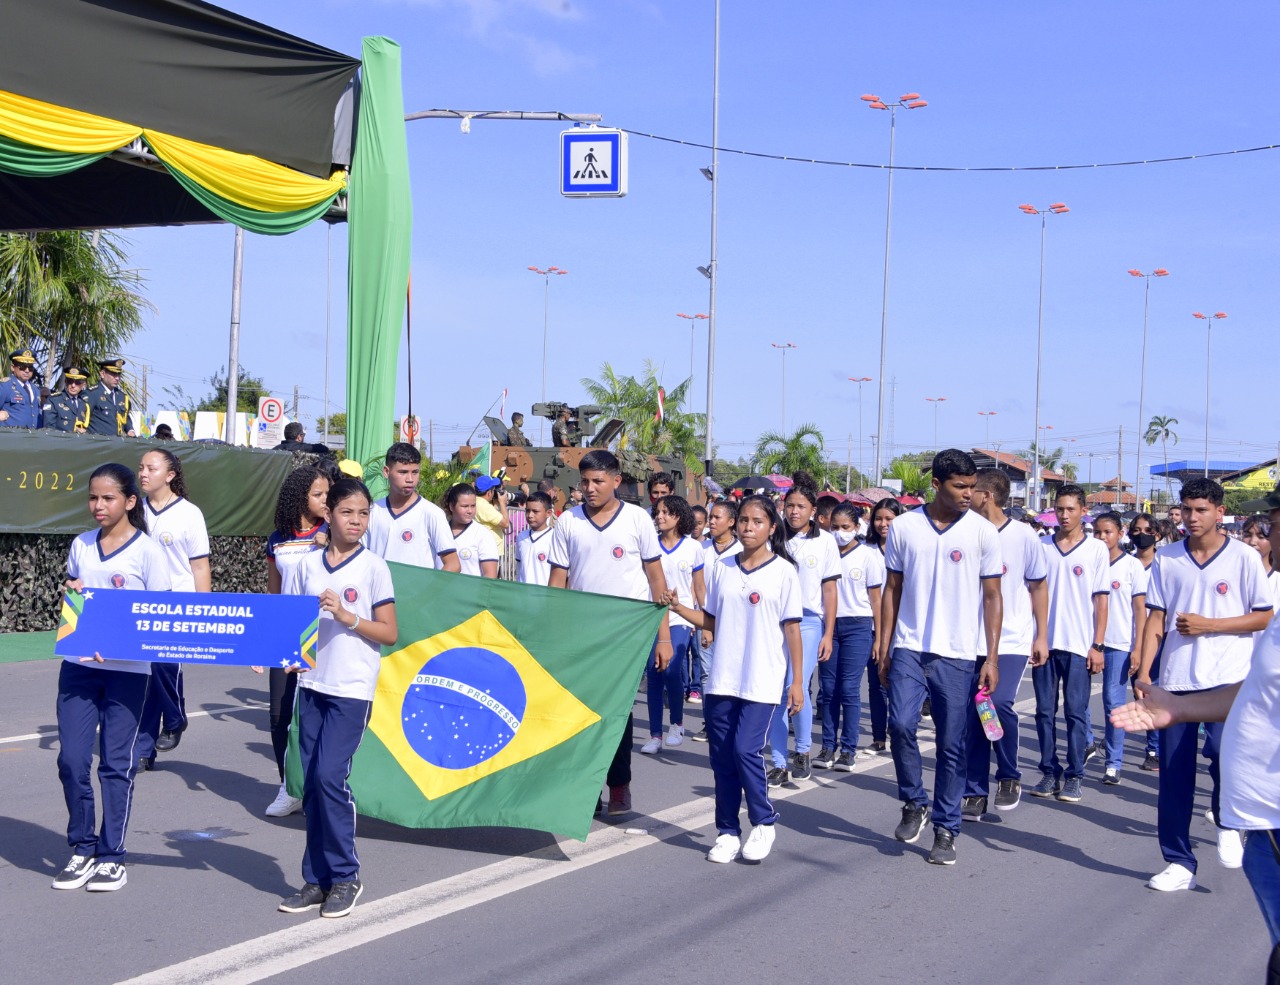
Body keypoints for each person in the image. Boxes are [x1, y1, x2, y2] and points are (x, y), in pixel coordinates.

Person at [1135, 477, 1272, 891]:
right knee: (1174, 775)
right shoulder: (1167, 558)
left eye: (1202, 510)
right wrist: (1144, 671)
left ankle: (1228, 821)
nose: (1193, 518)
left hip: (1229, 681)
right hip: (1176, 680)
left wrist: (1209, 625)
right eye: (1188, 510)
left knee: (1223, 755)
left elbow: (1263, 616)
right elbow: (1156, 618)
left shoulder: (1244, 558)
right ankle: (1179, 862)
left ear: (1219, 511)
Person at [277, 478, 397, 919]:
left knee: (330, 777)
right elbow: (291, 621)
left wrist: (348, 616)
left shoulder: (374, 568)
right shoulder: (306, 565)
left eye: (363, 513)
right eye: (347, 512)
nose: (356, 521)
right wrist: (287, 656)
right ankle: (317, 879)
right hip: (312, 686)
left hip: (351, 689)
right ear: (328, 514)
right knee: (310, 783)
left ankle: (346, 876)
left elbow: (389, 632)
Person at [878, 449, 1002, 866]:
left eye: (972, 487)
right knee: (900, 725)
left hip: (959, 654)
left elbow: (992, 596)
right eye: (960, 486)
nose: (969, 494)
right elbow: (892, 589)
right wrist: (885, 644)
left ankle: (946, 829)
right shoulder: (904, 527)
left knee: (951, 745)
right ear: (936, 484)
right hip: (909, 646)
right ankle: (914, 801)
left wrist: (991, 658)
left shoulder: (983, 533)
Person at [664, 495, 804, 863]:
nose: (748, 527)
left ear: (772, 528)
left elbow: (792, 629)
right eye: (743, 520)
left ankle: (764, 821)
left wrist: (796, 681)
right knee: (722, 759)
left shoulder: (784, 572)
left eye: (757, 521)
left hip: (763, 680)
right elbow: (711, 620)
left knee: (745, 750)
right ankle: (727, 832)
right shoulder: (722, 566)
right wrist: (678, 608)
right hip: (722, 680)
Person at [52, 463, 172, 892]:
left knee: (115, 765)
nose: (98, 505)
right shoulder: (81, 545)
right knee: (71, 761)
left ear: (130, 501)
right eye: (93, 497)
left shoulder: (148, 552)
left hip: (127, 674)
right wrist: (71, 597)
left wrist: (120, 644)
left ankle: (111, 856)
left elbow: (159, 618)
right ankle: (82, 847)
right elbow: (74, 605)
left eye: (108, 497)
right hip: (79, 669)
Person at [547, 449, 672, 817]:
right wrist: (551, 635)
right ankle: (585, 790)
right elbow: (557, 583)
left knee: (617, 712)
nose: (590, 488)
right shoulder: (568, 521)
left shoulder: (637, 519)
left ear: (616, 481)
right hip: (581, 634)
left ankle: (619, 786)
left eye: (598, 481)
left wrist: (663, 637)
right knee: (580, 712)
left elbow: (656, 580)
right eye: (585, 481)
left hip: (626, 635)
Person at [961, 469, 1048, 818]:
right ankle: (975, 791)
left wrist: (1042, 635)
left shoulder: (1024, 536)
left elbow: (1038, 586)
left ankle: (1009, 774)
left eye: (972, 489)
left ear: (987, 496)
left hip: (1011, 639)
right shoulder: (965, 531)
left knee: (997, 703)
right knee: (974, 715)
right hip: (968, 640)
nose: (965, 494)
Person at [1030, 484, 1109, 804]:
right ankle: (1050, 771)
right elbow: (1031, 594)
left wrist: (1098, 645)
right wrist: (1036, 637)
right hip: (1044, 644)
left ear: (1083, 512)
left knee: (1076, 713)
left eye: (1070, 509)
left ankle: (1075, 775)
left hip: (1079, 645)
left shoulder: (1096, 549)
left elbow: (1101, 601)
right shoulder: (1041, 546)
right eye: (1059, 509)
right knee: (1044, 712)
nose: (1064, 515)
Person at [261, 465, 330, 817]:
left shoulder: (334, 534)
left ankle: (319, 787)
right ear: (299, 497)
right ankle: (287, 788)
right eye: (318, 494)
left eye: (327, 494)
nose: (325, 500)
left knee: (316, 714)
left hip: (326, 633)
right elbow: (274, 593)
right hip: (287, 632)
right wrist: (263, 643)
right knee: (279, 715)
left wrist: (330, 542)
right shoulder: (278, 539)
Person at [135, 448, 210, 770]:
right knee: (144, 676)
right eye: (141, 467)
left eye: (151, 468)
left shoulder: (189, 514)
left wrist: (203, 610)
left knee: (163, 665)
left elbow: (200, 566)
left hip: (177, 603)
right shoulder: (134, 510)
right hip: (141, 603)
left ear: (170, 475)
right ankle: (143, 750)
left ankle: (175, 716)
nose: (143, 473)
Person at [767, 471, 840, 786]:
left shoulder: (825, 542)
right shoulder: (773, 536)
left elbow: (830, 591)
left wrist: (828, 633)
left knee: (793, 684)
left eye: (801, 506)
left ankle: (803, 750)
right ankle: (778, 762)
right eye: (790, 505)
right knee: (775, 690)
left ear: (813, 511)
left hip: (809, 622)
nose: (794, 511)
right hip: (774, 621)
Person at [814, 501, 883, 771]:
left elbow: (876, 601)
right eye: (835, 527)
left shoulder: (867, 556)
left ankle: (848, 750)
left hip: (858, 626)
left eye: (845, 527)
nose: (840, 532)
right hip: (828, 626)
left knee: (849, 689)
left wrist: (879, 638)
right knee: (829, 689)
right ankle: (827, 747)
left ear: (856, 527)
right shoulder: (825, 552)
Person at [641, 495, 704, 754]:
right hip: (652, 617)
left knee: (672, 668)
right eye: (657, 512)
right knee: (654, 673)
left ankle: (677, 723)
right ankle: (655, 735)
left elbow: (699, 587)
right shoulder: (649, 545)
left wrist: (705, 622)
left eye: (666, 512)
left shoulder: (693, 547)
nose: (660, 517)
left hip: (680, 617)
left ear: (679, 516)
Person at [1090, 510, 1147, 785]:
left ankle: (1113, 763)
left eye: (1107, 532)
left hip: (1119, 645)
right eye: (1097, 532)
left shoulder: (1132, 566)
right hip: (1088, 643)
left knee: (1113, 704)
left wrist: (1138, 647)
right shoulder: (1088, 561)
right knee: (1077, 703)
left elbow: (1140, 611)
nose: (1102, 537)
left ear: (1120, 534)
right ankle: (1087, 743)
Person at [363, 443, 460, 573]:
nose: (410, 479)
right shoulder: (372, 511)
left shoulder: (432, 513)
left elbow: (453, 564)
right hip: (380, 587)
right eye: (403, 472)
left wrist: (430, 587)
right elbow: (360, 559)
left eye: (415, 472)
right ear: (386, 472)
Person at [691, 500, 743, 735]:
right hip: (705, 619)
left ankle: (731, 722)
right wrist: (699, 621)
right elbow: (696, 585)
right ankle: (710, 723)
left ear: (731, 522)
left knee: (731, 672)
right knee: (707, 673)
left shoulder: (742, 550)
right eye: (710, 517)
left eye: (717, 517)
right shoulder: (700, 549)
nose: (711, 522)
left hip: (734, 622)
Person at [861, 498, 903, 756]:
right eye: (878, 518)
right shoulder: (866, 550)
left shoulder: (907, 548)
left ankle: (898, 731)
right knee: (877, 683)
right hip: (874, 625)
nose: (883, 524)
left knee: (900, 683)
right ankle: (879, 737)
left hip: (903, 626)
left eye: (889, 519)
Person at [1129, 512, 1162, 771]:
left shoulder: (1164, 564)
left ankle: (1154, 749)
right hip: (1126, 639)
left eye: (1147, 531)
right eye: (1137, 530)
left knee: (1151, 694)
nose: (1142, 535)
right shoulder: (1125, 563)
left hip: (1157, 640)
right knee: (1133, 694)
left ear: (1157, 535)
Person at [443, 483, 500, 578]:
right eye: (464, 506)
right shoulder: (440, 531)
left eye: (473, 506)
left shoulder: (483, 535)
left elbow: (490, 575)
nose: (470, 511)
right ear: (451, 506)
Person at [84, 357, 134, 436]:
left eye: (118, 374)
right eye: (113, 374)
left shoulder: (121, 396)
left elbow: (125, 417)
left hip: (117, 441)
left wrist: (130, 429)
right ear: (102, 374)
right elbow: (82, 416)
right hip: (98, 440)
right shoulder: (92, 394)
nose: (117, 378)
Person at [516, 491, 555, 585]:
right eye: (527, 511)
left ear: (548, 513)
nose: (530, 515)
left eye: (535, 511)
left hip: (545, 593)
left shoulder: (555, 538)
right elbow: (519, 567)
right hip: (523, 592)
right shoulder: (521, 537)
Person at [0, 348, 42, 428]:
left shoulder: (35, 390)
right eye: (23, 367)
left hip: (32, 434)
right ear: (13, 367)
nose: (27, 370)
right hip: (10, 434)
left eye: (30, 368)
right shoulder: (5, 386)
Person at [42, 365, 90, 433]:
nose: (73, 385)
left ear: (83, 384)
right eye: (70, 381)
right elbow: (48, 427)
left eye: (77, 382)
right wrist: (73, 431)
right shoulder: (53, 400)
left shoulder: (83, 404)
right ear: (65, 382)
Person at [472, 475, 511, 553]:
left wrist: (495, 504)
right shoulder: (485, 506)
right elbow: (506, 524)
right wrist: (502, 503)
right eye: (494, 490)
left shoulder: (475, 502)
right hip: (490, 551)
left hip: (483, 549)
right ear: (489, 493)